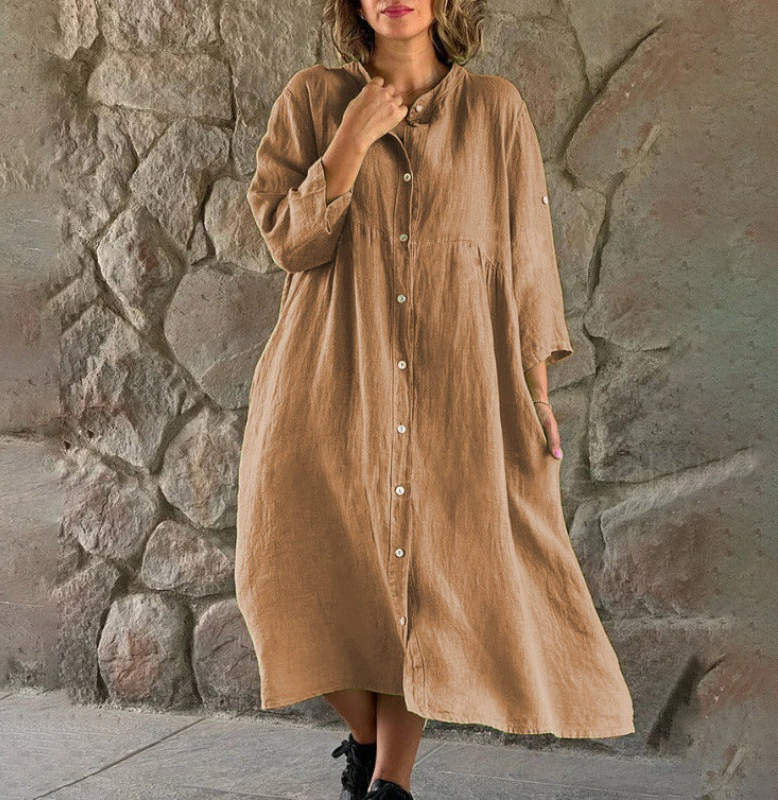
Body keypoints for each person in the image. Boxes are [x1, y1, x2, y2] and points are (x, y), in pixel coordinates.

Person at [236, 2, 635, 799]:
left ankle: (391, 782)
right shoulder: (313, 98)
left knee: (431, 581)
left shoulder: (495, 110)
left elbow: (526, 257)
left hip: (458, 388)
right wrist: (350, 142)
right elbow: (290, 242)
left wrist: (536, 389)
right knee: (276, 574)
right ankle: (366, 743)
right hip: (325, 381)